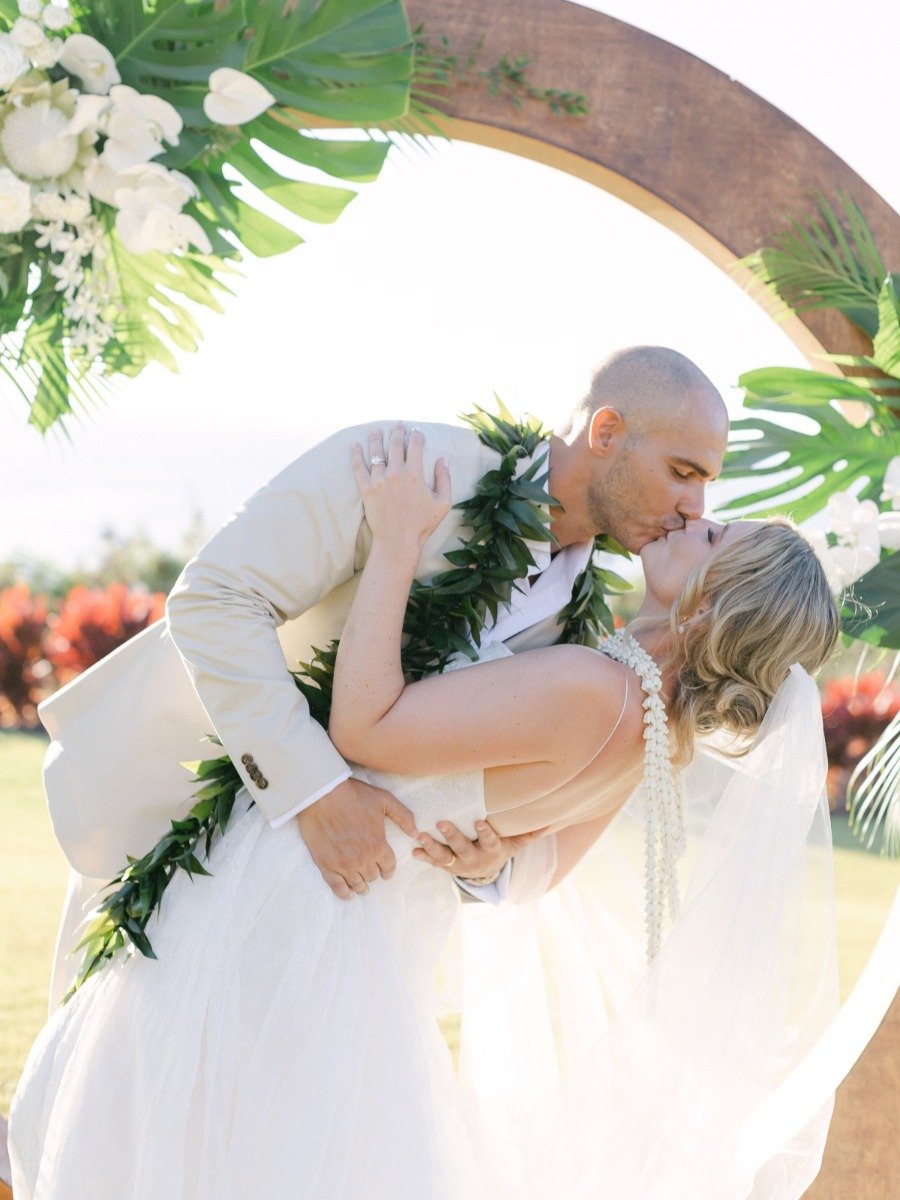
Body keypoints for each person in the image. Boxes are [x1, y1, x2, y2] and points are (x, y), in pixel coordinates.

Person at [9, 426, 841, 1200]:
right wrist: (487, 858)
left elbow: (364, 722)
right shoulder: (655, 737)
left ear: (710, 603)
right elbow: (534, 875)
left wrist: (399, 539)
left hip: (296, 897)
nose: (694, 518)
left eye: (715, 538)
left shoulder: (599, 690)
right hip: (378, 930)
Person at [36, 345, 729, 1010]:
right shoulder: (409, 471)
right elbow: (216, 597)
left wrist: (485, 862)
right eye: (683, 471)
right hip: (182, 829)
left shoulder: (589, 628)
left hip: (350, 925)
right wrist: (315, 790)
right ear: (608, 432)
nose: (695, 506)